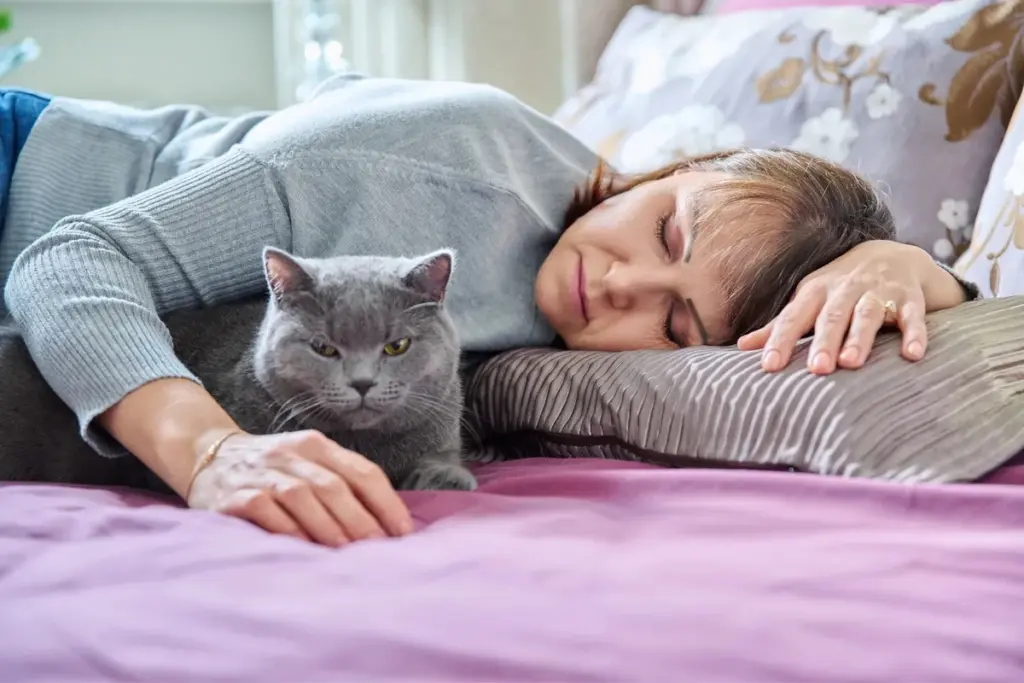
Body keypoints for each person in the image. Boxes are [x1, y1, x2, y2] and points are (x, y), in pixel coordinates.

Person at [0, 75, 975, 546]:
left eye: (675, 324)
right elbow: (69, 259)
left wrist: (906, 268)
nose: (626, 287)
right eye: (668, 231)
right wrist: (210, 451)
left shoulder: (581, 331)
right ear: (676, 170)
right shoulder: (433, 162)